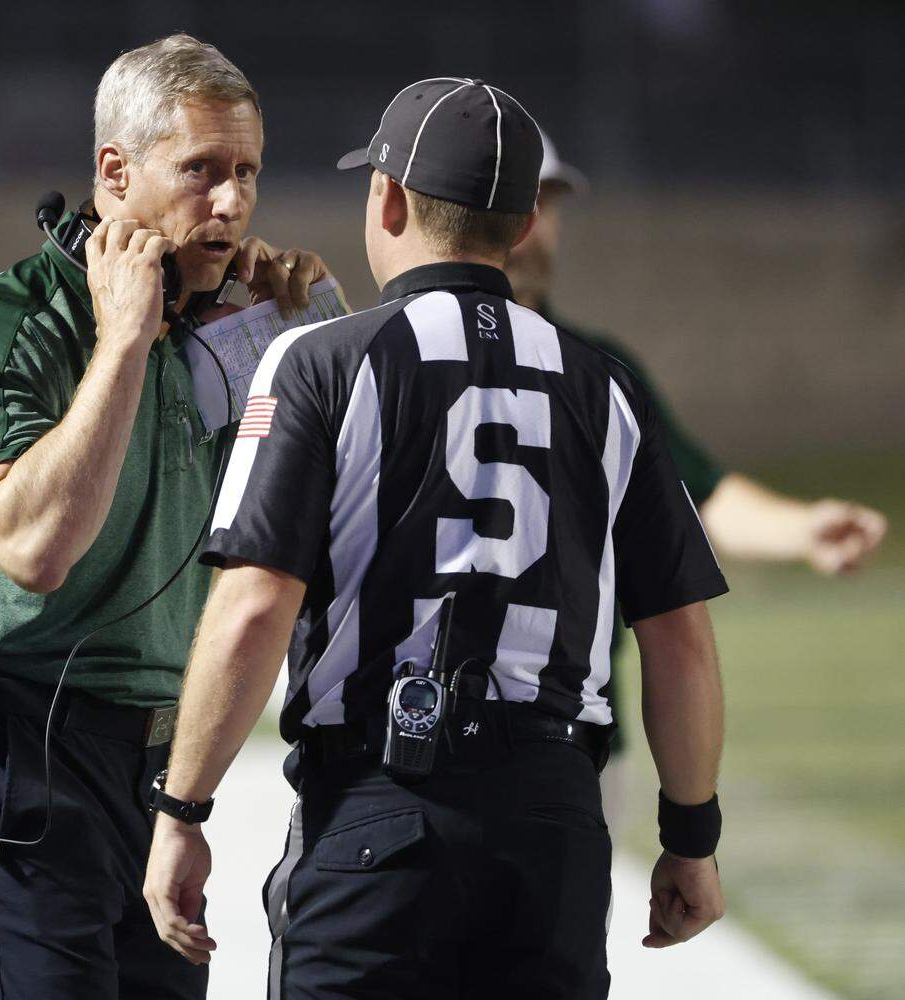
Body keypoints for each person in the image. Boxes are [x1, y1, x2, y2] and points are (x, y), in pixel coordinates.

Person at [146, 77, 729, 998]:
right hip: (556, 823)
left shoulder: (324, 361)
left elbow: (256, 602)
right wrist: (691, 840)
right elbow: (681, 638)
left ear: (387, 198)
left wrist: (184, 808)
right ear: (526, 222)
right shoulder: (604, 385)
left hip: (384, 808)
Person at [0, 35, 330, 1000]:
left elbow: (316, 540)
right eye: (201, 171)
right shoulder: (7, 325)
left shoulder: (215, 335)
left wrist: (307, 347)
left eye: (247, 172)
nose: (232, 204)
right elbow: (35, 547)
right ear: (115, 173)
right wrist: (122, 339)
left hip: (156, 766)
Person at [506, 131, 889, 807]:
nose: (537, 226)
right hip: (418, 739)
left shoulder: (602, 373)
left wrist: (803, 529)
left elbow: (694, 499)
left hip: (576, 739)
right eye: (517, 201)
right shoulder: (384, 356)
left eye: (549, 203)